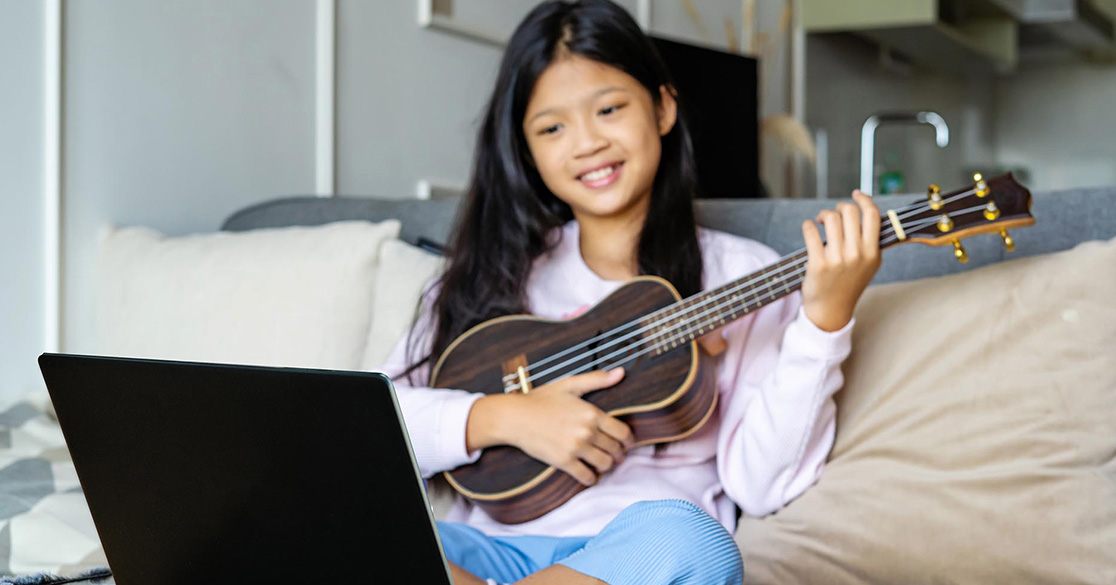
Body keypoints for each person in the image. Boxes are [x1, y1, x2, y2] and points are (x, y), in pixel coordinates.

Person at [376, 1, 881, 583]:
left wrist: (824, 324)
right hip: (485, 554)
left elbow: (762, 484)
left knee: (698, 542)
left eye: (610, 109)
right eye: (552, 128)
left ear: (663, 107)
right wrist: (505, 418)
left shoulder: (739, 273)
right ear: (526, 149)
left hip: (636, 554)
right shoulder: (489, 272)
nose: (587, 142)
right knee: (352, 520)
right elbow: (373, 427)